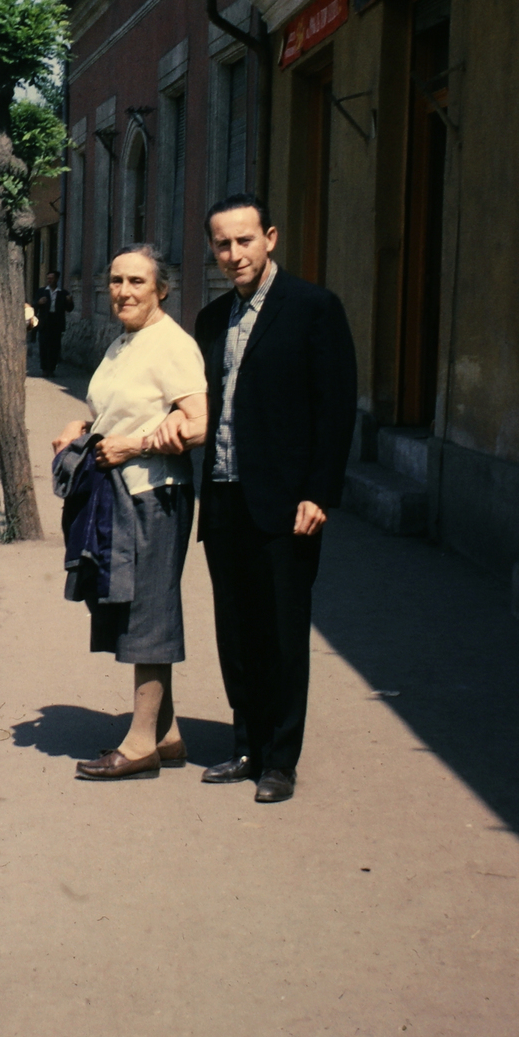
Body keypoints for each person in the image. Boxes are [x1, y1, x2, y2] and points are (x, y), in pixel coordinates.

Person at [195, 194, 357, 805]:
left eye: (243, 241)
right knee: (236, 631)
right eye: (221, 244)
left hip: (287, 504)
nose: (233, 254)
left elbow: (335, 407)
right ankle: (246, 744)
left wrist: (319, 491)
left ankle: (280, 760)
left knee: (283, 633)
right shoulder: (212, 320)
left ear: (270, 238)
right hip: (226, 497)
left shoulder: (313, 309)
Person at [51, 244, 207, 780]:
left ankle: (139, 745)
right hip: (116, 493)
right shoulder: (125, 342)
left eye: (137, 282)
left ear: (161, 289)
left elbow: (198, 423)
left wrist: (134, 446)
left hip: (155, 494)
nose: (124, 291)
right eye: (117, 280)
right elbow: (113, 407)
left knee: (149, 613)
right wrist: (82, 428)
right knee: (133, 606)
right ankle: (166, 735)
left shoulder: (172, 345)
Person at [34, 269, 74, 377]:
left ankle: (51, 369)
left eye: (51, 278)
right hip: (44, 322)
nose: (49, 280)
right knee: (43, 346)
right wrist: (39, 302)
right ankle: (44, 369)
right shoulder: (42, 291)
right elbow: (34, 304)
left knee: (54, 347)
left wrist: (69, 301)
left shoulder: (63, 293)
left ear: (56, 279)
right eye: (48, 278)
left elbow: (69, 309)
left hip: (56, 322)